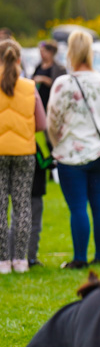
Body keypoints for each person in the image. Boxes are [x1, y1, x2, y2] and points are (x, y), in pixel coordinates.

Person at [47, 30, 100, 270]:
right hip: (98, 150)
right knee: (99, 204)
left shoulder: (63, 83)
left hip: (71, 152)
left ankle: (79, 258)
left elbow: (52, 120)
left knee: (78, 207)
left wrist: (57, 143)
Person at [0, 39, 45, 274]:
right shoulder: (30, 87)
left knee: (0, 208)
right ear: (19, 60)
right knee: (22, 206)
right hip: (24, 153)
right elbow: (41, 123)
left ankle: (2, 261)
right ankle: (21, 259)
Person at [31, 40, 65, 118]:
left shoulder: (59, 68)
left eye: (44, 51)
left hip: (51, 101)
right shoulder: (39, 66)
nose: (41, 54)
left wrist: (43, 79)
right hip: (39, 100)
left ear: (51, 52)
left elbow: (59, 85)